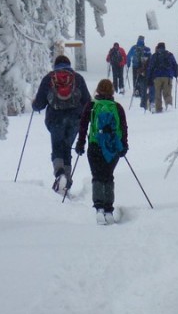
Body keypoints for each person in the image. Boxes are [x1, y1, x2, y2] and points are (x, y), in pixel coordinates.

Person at [31, 55, 91, 194]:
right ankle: (67, 180)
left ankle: (60, 175)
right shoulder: (77, 78)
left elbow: (39, 104)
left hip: (55, 119)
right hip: (75, 119)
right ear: (69, 64)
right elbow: (87, 101)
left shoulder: (49, 78)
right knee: (67, 147)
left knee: (57, 147)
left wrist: (34, 105)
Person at [74, 79, 128, 225]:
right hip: (112, 148)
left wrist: (80, 143)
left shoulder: (91, 106)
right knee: (108, 176)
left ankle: (99, 209)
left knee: (97, 176)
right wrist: (123, 146)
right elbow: (123, 128)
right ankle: (109, 210)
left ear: (97, 90)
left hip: (95, 146)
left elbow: (83, 126)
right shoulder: (117, 107)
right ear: (112, 91)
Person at [145, 41, 178, 112]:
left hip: (157, 77)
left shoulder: (154, 56)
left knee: (157, 93)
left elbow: (150, 67)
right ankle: (168, 105)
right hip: (168, 76)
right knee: (167, 93)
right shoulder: (169, 55)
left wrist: (148, 78)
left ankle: (158, 108)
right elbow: (175, 64)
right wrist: (176, 74)